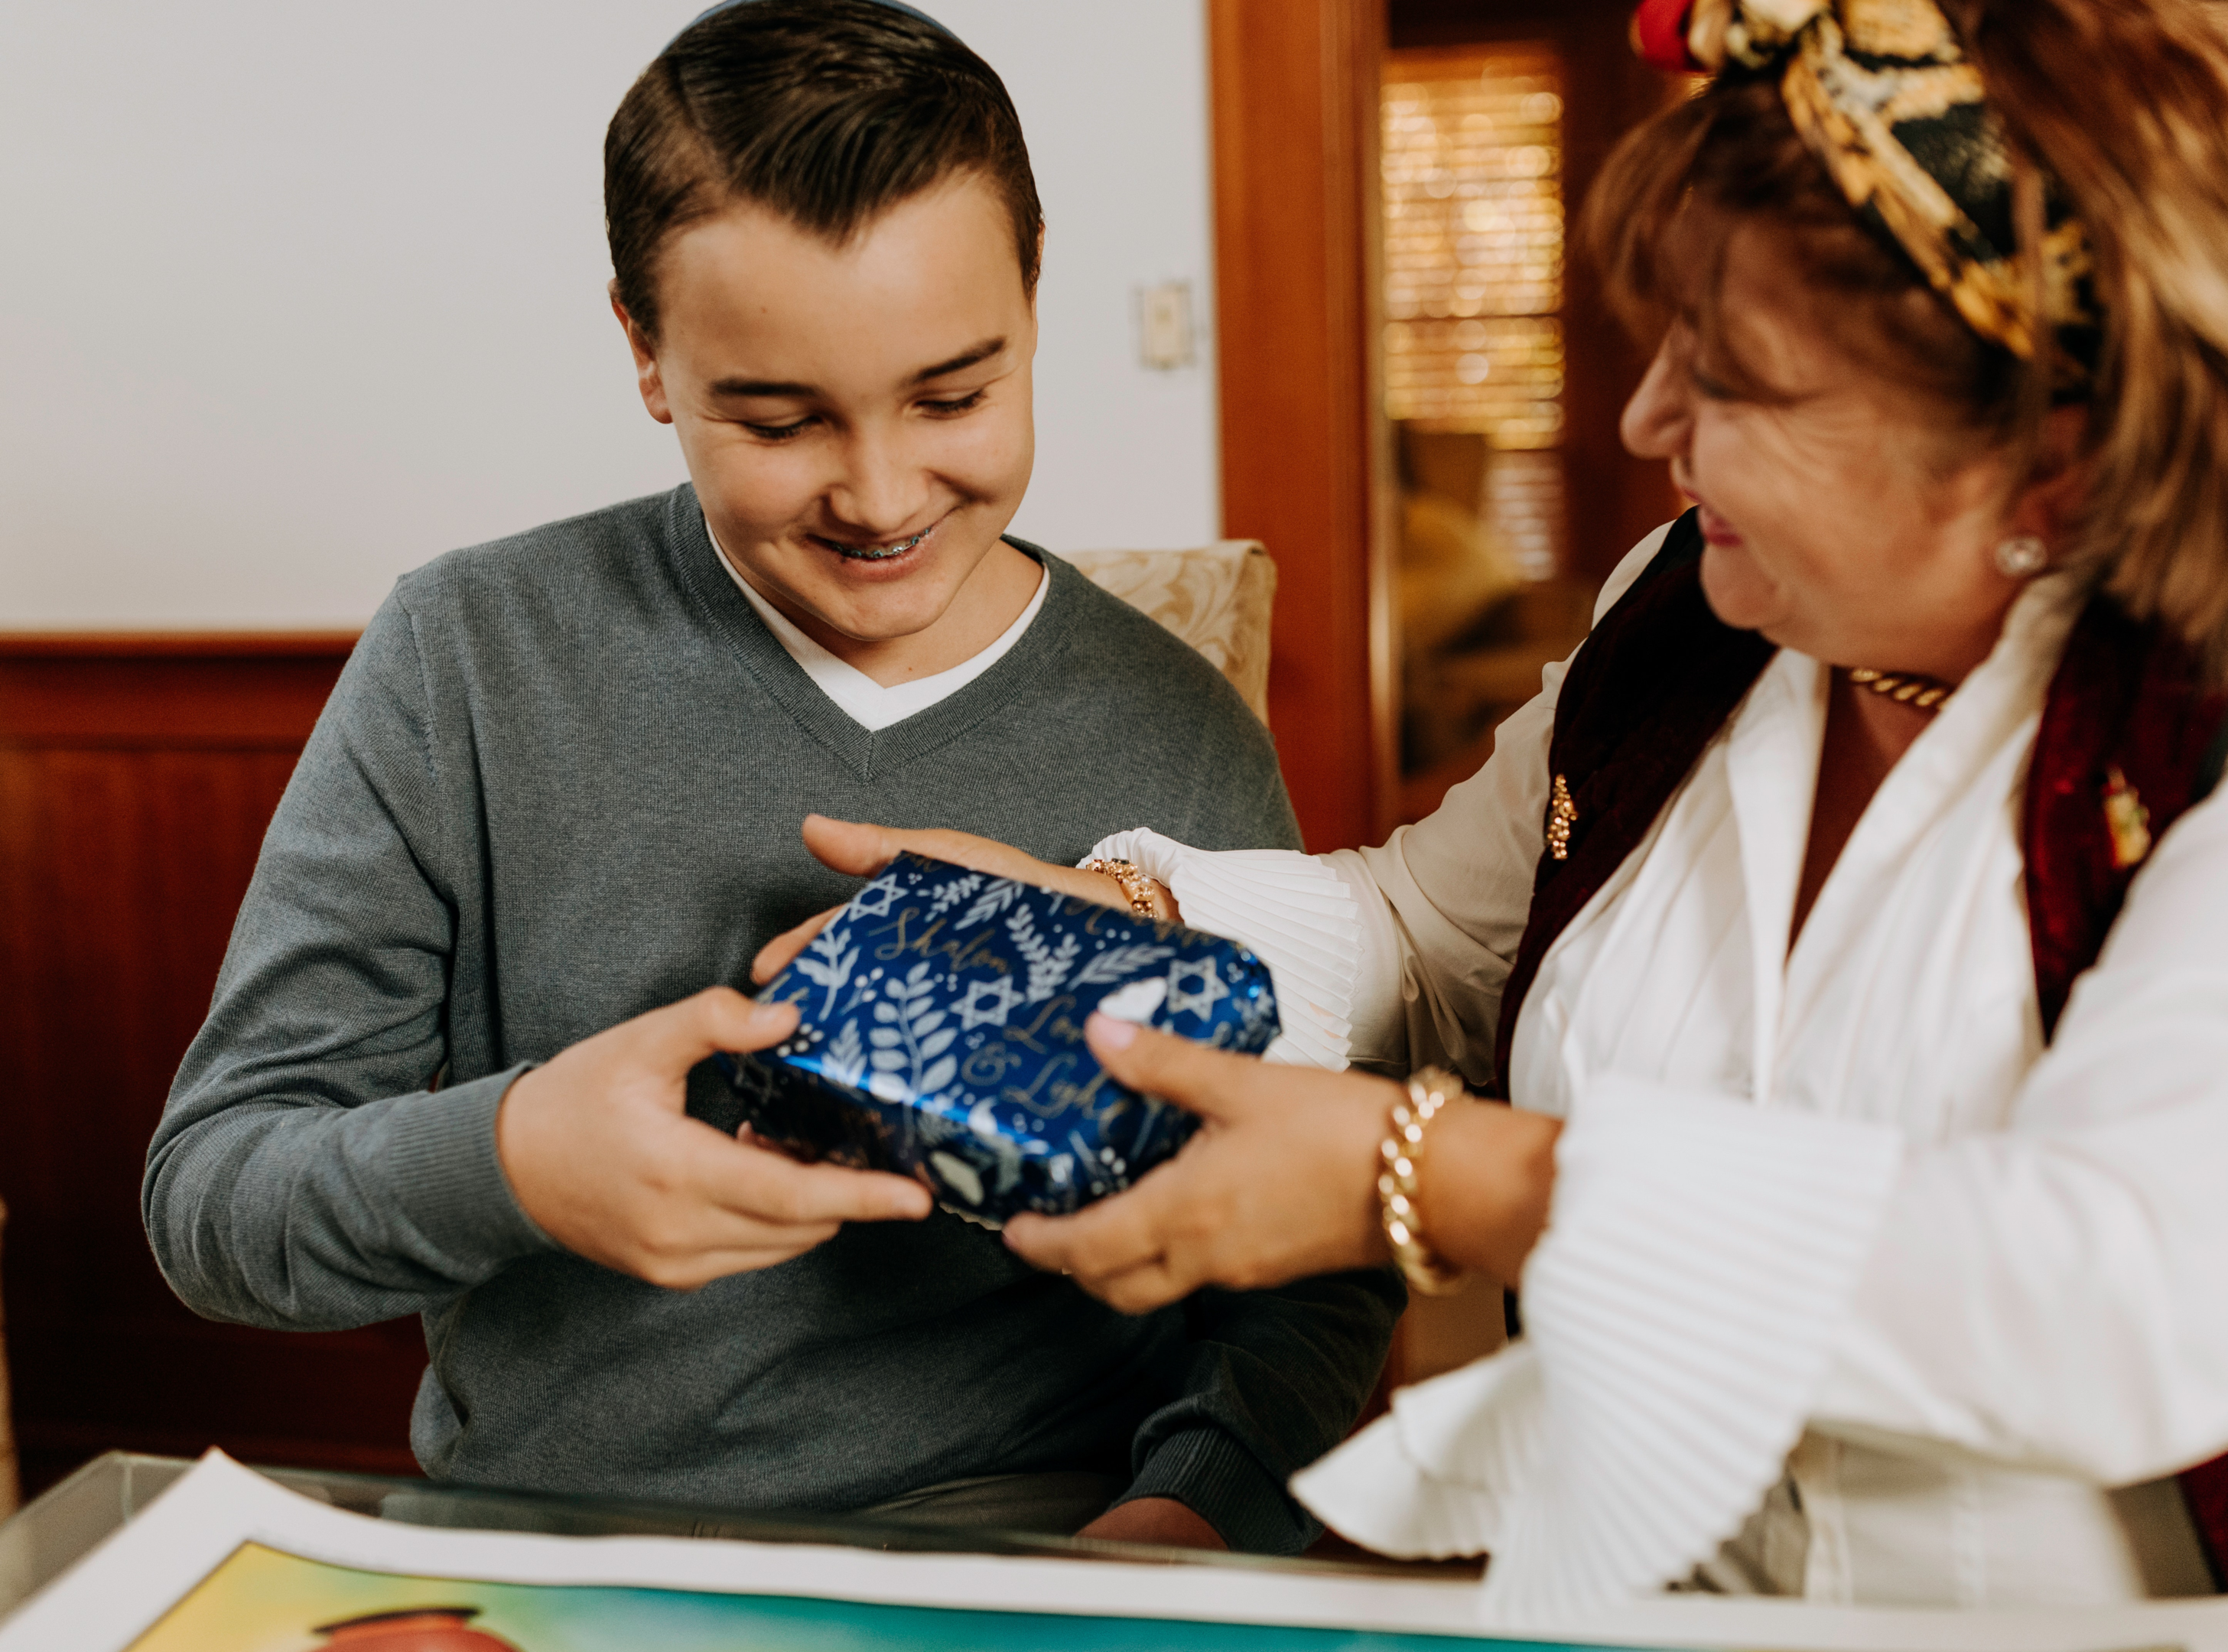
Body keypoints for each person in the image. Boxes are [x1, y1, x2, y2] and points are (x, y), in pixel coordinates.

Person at [783, 0, 2228, 1637]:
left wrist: (1436, 1176)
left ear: (2051, 455)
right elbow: (1431, 938)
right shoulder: (1698, 618)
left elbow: (2116, 1295)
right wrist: (1113, 929)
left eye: (1732, 382)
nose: (1641, 422)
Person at [143, 0, 1399, 1556]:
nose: (880, 495)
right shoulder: (468, 655)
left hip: (1036, 1543)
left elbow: (1317, 1258)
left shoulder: (1172, 725)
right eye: (780, 418)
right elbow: (217, 1203)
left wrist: (1187, 1510)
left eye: (954, 395)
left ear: (1035, 293)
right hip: (561, 1545)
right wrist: (520, 1158)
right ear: (646, 353)